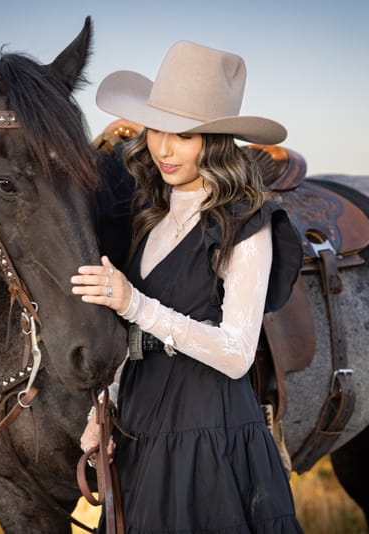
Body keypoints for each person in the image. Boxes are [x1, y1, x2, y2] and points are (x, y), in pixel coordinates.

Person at [71, 40, 303, 533]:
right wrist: (106, 409)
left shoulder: (246, 225)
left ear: (215, 142)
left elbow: (238, 353)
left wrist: (134, 302)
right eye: (156, 129)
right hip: (140, 422)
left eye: (184, 136)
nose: (163, 149)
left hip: (208, 432)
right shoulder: (148, 219)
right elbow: (133, 343)